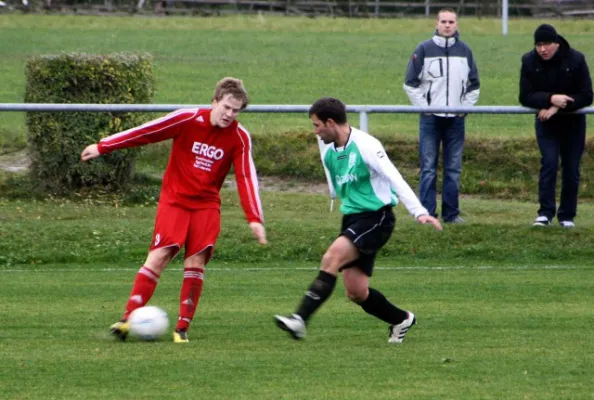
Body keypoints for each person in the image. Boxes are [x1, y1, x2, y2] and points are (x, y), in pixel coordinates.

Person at [80, 77, 267, 343]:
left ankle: (181, 328)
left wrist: (254, 218)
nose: (230, 114)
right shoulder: (187, 119)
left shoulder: (239, 138)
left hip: (206, 206)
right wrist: (103, 146)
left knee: (196, 262)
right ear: (214, 102)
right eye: (226, 107)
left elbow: (246, 177)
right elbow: (147, 131)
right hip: (175, 201)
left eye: (236, 110)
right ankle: (127, 319)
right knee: (160, 255)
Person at [274, 98, 442, 344]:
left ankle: (299, 319)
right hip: (352, 218)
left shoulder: (366, 145)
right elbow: (336, 180)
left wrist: (419, 211)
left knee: (331, 257)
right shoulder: (328, 148)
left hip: (377, 217)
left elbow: (393, 177)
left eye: (317, 125)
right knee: (356, 292)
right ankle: (401, 319)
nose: (315, 131)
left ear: (331, 122)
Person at [403, 7, 480, 224]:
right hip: (430, 119)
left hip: (456, 120)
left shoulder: (465, 51)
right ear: (436, 24)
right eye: (443, 21)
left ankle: (451, 214)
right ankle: (427, 214)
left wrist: (463, 109)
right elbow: (410, 83)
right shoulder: (424, 49)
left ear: (457, 25)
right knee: (428, 168)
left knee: (453, 169)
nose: (447, 25)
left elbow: (474, 86)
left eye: (451, 22)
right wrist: (424, 108)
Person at [519, 24, 593, 228]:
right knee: (549, 164)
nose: (542, 49)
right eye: (538, 45)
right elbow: (525, 96)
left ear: (556, 43)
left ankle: (567, 216)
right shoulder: (528, 60)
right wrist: (551, 98)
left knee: (571, 169)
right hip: (546, 124)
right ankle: (545, 213)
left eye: (547, 44)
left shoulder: (576, 59)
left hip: (573, 124)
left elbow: (586, 95)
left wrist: (558, 107)